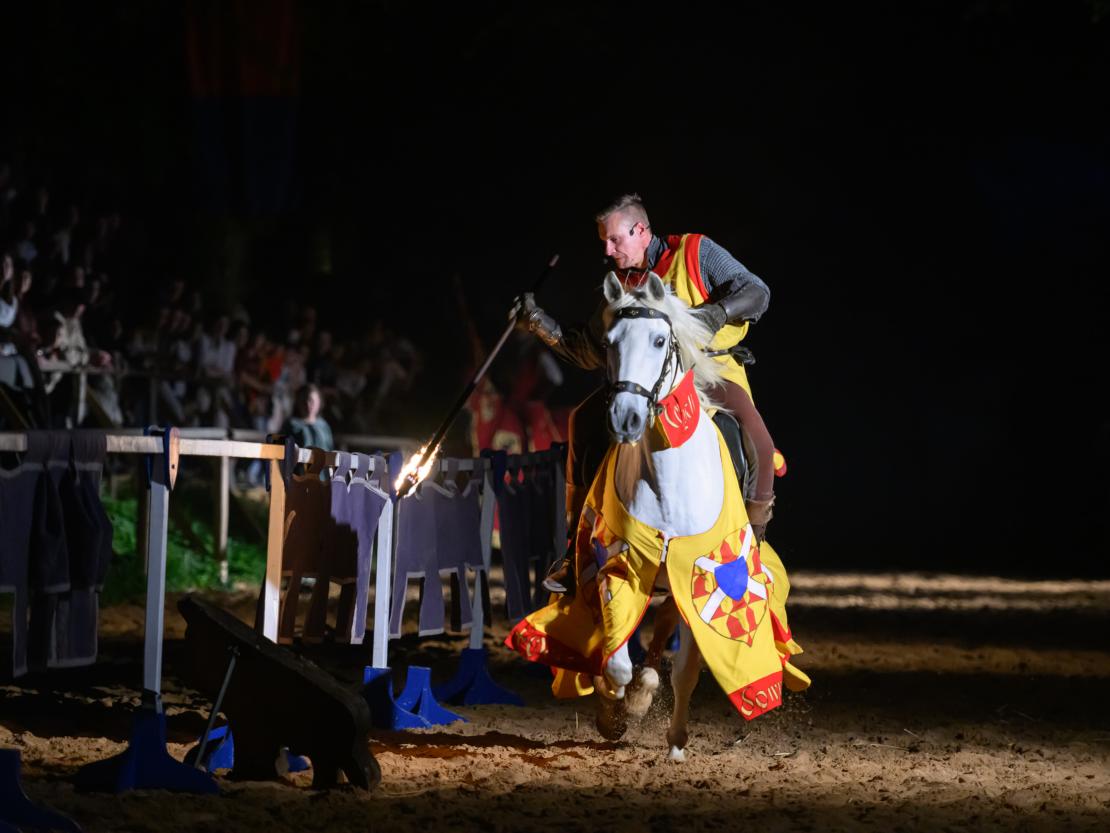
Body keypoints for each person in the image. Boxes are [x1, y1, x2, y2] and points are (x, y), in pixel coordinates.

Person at [514, 193, 778, 591]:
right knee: (582, 420)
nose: (607, 250)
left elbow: (757, 291)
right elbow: (589, 351)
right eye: (604, 241)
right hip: (646, 385)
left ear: (641, 231)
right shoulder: (618, 285)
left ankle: (753, 540)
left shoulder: (695, 252)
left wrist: (718, 311)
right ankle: (576, 548)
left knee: (756, 436)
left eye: (614, 239)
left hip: (708, 372)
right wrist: (538, 322)